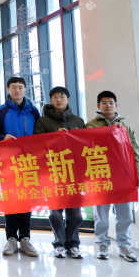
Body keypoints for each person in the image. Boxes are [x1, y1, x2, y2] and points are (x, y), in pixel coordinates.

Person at [86, 91, 139, 262]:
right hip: (101, 175)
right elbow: (87, 146)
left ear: (116, 105)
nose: (108, 105)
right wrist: (110, 132)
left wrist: (138, 173)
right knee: (101, 215)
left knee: (125, 215)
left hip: (123, 176)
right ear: (99, 106)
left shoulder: (125, 126)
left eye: (111, 102)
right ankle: (102, 244)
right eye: (104, 103)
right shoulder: (90, 126)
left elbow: (135, 150)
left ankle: (124, 246)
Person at [33, 86, 86, 259]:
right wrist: (54, 136)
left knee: (76, 214)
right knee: (55, 213)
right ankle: (59, 244)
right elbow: (36, 144)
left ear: (68, 100)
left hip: (73, 172)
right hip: (52, 173)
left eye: (62, 97)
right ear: (51, 100)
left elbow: (85, 144)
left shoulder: (78, 121)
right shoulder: (42, 121)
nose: (58, 100)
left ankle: (73, 244)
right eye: (55, 97)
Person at [0, 77, 40, 257]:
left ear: (25, 90)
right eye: (14, 87)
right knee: (10, 199)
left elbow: (40, 135)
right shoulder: (0, 111)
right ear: (8, 89)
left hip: (29, 162)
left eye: (20, 87)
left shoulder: (34, 111)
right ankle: (11, 239)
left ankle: (25, 238)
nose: (17, 90)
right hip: (8, 162)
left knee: (27, 200)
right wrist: (1, 137)